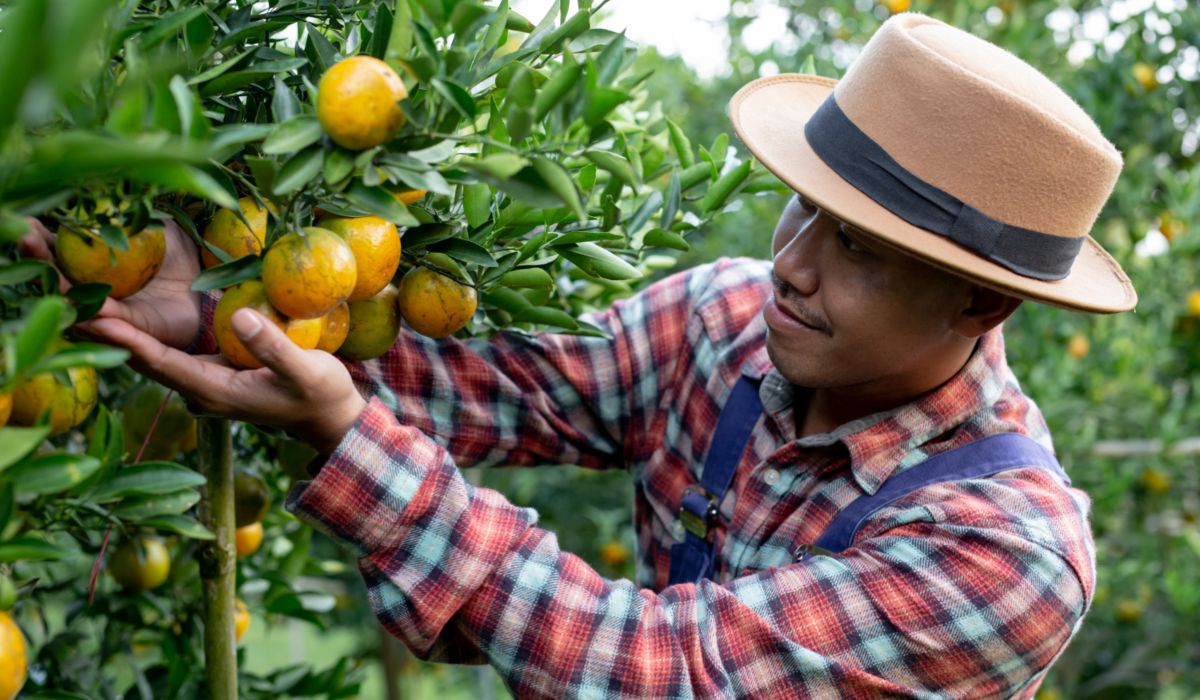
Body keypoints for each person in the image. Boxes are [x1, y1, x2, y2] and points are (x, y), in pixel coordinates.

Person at [22, 12, 1136, 699]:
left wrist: (349, 443)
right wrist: (220, 295)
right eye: (801, 209)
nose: (789, 265)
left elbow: (665, 673)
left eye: (855, 248)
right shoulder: (726, 322)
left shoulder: (1007, 556)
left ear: (982, 306)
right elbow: (486, 380)